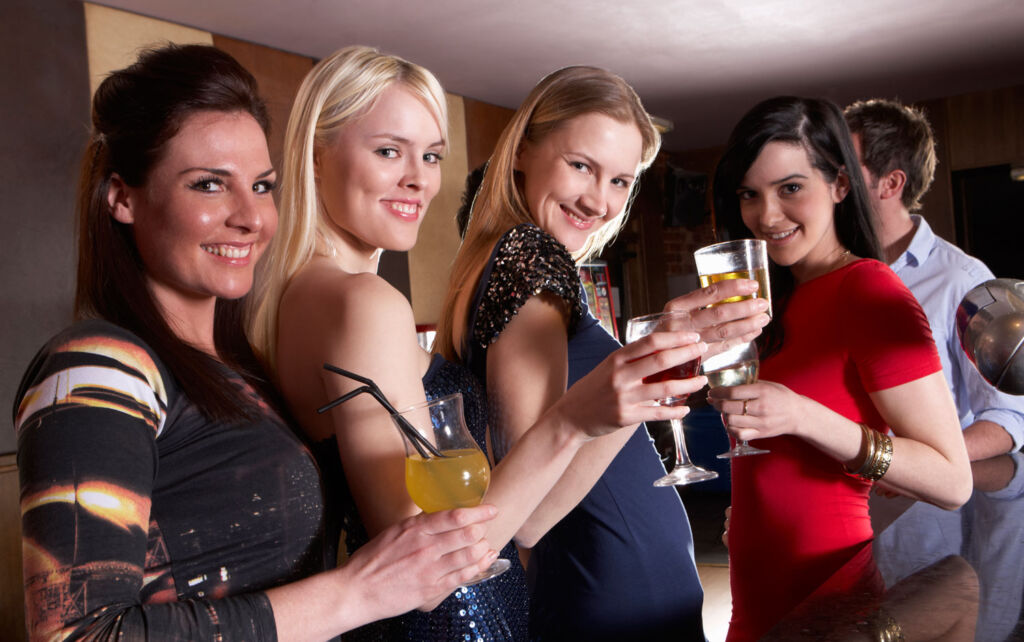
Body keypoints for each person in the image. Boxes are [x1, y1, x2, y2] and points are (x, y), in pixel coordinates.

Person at [12, 44, 505, 642]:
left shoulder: (243, 372)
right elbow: (76, 635)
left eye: (262, 185)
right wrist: (356, 592)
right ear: (123, 197)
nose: (250, 217)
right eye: (209, 186)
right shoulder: (96, 367)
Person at [246, 47, 712, 641]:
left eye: (431, 155)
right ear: (316, 155)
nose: (418, 178)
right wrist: (574, 417)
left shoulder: (300, 298)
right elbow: (427, 566)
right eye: (389, 150)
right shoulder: (363, 302)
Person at [434, 65, 771, 641]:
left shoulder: (516, 259)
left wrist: (659, 354)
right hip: (610, 604)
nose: (599, 201)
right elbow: (531, 518)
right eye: (581, 166)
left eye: (620, 180)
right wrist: (639, 382)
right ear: (521, 151)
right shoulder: (529, 257)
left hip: (622, 599)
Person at [706, 95, 973, 641]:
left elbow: (952, 480)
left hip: (832, 596)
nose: (767, 215)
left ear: (840, 186)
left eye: (791, 188)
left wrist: (803, 415)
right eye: (750, 195)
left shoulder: (871, 292)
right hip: (754, 594)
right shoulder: (768, 301)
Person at [844, 98, 1024, 461]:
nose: (830, 182)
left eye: (845, 169)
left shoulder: (963, 280)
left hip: (926, 511)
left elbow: (1012, 415)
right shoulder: (829, 272)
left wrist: (904, 467)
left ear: (891, 183)